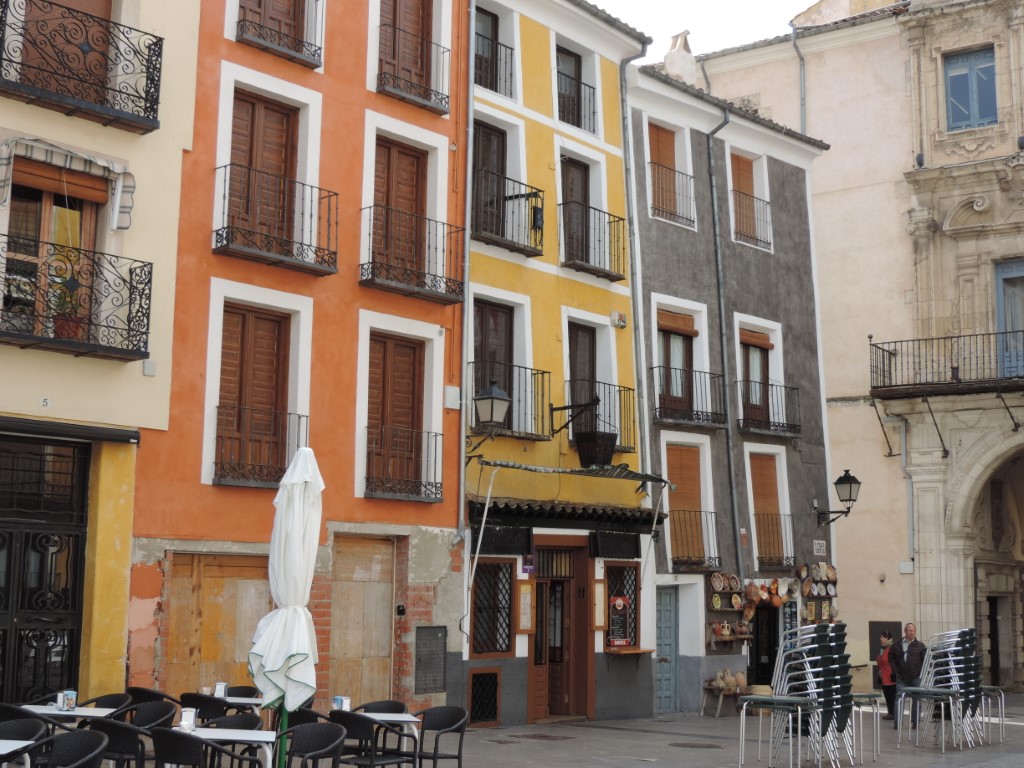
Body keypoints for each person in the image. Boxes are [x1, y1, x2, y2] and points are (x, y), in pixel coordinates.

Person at [889, 622, 926, 728]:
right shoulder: (897, 644)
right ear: (905, 631)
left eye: (913, 630)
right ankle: (898, 722)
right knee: (899, 698)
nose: (911, 632)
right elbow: (891, 657)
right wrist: (895, 670)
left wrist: (921, 673)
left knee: (917, 699)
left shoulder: (920, 645)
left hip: (916, 677)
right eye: (909, 630)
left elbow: (925, 660)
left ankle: (916, 722)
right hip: (901, 676)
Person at [876, 631, 896, 720]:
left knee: (892, 696)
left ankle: (894, 713)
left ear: (887, 638)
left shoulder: (892, 649)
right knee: (887, 696)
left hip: (891, 676)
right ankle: (890, 712)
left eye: (882, 637)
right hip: (884, 677)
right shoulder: (882, 649)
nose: (880, 639)